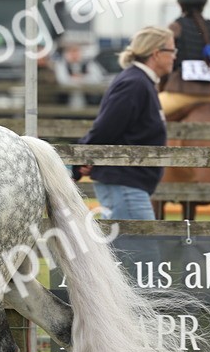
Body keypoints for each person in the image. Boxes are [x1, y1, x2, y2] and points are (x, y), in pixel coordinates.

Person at [73, 26, 176, 220]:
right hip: (125, 186)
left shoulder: (142, 82)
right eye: (172, 50)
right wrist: (80, 160)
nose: (175, 56)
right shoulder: (135, 83)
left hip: (129, 185)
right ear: (156, 53)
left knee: (129, 249)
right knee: (142, 250)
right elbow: (106, 128)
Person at [157, 0, 210, 118]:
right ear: (204, 3)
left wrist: (161, 88)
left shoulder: (175, 27)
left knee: (147, 112)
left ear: (180, 3)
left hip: (180, 93)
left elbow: (164, 65)